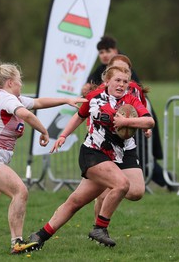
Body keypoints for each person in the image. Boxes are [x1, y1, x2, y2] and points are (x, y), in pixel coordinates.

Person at [0, 58, 87, 255]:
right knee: (20, 191)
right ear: (10, 82)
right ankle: (17, 242)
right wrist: (44, 132)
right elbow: (27, 115)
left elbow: (38, 102)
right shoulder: (6, 98)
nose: (21, 84)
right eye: (19, 80)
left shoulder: (11, 98)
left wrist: (66, 100)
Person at [28, 65, 155, 250]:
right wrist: (63, 135)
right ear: (107, 81)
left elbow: (149, 121)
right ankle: (100, 228)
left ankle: (39, 236)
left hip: (117, 155)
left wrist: (126, 122)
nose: (121, 85)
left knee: (77, 201)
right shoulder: (94, 97)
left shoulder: (131, 100)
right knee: (121, 184)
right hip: (93, 153)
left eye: (125, 82)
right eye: (117, 80)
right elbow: (79, 116)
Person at [82, 35, 175, 192]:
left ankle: (168, 181)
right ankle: (117, 189)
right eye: (101, 52)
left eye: (108, 51)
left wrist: (145, 126)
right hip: (110, 130)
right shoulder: (100, 71)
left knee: (142, 158)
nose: (104, 54)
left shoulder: (127, 76)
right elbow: (91, 95)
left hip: (135, 121)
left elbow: (140, 100)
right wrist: (86, 90)